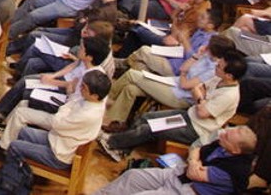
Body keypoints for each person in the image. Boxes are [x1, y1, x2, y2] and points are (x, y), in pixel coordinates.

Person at [100, 50, 246, 162]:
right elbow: (197, 88)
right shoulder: (218, 79)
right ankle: (122, 148)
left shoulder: (229, 95)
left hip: (196, 128)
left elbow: (202, 111)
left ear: (230, 76)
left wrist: (200, 98)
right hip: (189, 115)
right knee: (146, 117)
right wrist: (202, 98)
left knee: (151, 128)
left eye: (220, 67)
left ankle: (112, 142)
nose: (216, 67)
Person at [104, 33, 232, 133]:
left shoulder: (213, 70)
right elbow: (183, 69)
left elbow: (185, 85)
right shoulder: (205, 57)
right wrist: (196, 56)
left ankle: (104, 98)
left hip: (179, 96)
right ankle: (117, 120)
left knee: (133, 75)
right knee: (130, 88)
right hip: (172, 82)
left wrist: (182, 75)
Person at [95, 125, 257, 195]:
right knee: (133, 177)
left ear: (236, 150)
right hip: (178, 174)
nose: (222, 134)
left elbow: (194, 174)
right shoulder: (223, 144)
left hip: (187, 190)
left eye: (227, 136)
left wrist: (194, 162)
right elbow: (196, 149)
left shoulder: (235, 170)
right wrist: (195, 160)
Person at [4, 71, 111, 171]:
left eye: (84, 87)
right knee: (23, 132)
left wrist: (64, 109)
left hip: (59, 155)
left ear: (95, 95)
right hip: (58, 140)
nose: (80, 88)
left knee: (14, 146)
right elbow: (68, 107)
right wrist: (66, 108)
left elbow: (56, 122)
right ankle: (14, 165)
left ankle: (11, 179)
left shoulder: (87, 114)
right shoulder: (94, 101)